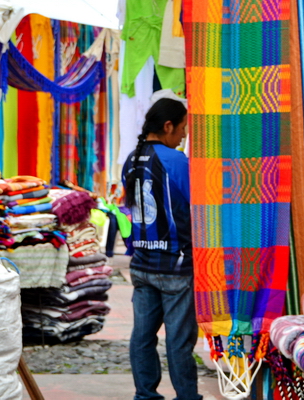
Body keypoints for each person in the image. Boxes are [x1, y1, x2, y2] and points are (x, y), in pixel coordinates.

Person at [122, 98, 202, 400]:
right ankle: (187, 397)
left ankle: (145, 395)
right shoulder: (177, 161)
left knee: (142, 337)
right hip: (176, 267)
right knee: (179, 342)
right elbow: (198, 205)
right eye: (182, 128)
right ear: (168, 126)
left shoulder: (131, 159)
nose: (183, 135)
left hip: (142, 264)